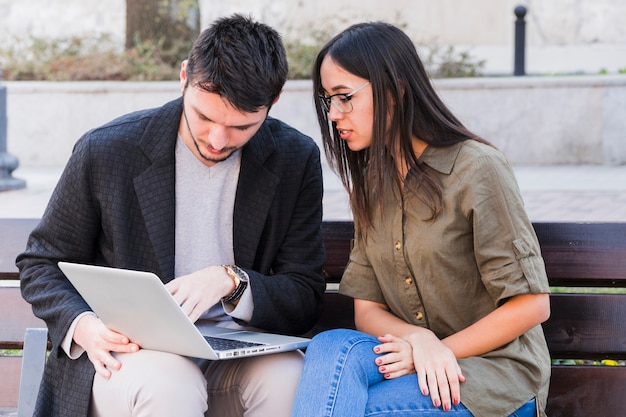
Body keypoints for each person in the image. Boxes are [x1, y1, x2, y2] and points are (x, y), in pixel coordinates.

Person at [17, 14, 326, 417]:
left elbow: (303, 292)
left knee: (291, 379)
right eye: (204, 117)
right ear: (184, 76)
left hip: (237, 355)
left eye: (240, 127)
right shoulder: (109, 150)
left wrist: (230, 281)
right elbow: (41, 264)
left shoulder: (294, 158)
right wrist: (85, 326)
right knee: (170, 385)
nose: (217, 140)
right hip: (131, 357)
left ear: (275, 100)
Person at [291, 21, 551, 417]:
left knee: (362, 410)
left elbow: (531, 305)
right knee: (329, 347)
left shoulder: (477, 169)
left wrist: (439, 350)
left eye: (345, 97)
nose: (334, 115)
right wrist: (420, 340)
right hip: (416, 356)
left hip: (492, 374)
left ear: (394, 91)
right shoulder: (372, 184)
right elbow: (367, 311)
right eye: (329, 101)